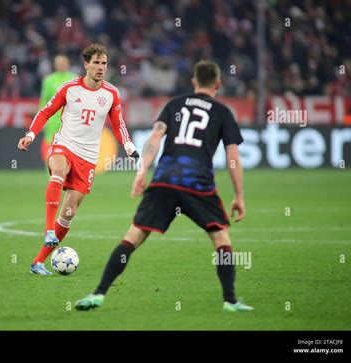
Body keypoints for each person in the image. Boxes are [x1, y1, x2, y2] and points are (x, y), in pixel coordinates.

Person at [75, 60, 254, 312]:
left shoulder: (175, 105)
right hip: (198, 185)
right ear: (218, 84)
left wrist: (141, 171)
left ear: (194, 82)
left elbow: (155, 137)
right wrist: (239, 195)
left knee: (133, 237)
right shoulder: (223, 112)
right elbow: (233, 157)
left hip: (164, 181)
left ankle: (98, 294)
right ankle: (230, 300)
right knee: (221, 238)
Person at [18, 43, 139, 276]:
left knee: (69, 212)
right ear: (86, 65)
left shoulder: (111, 93)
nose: (101, 67)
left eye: (104, 63)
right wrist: (30, 135)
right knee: (58, 171)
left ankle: (38, 262)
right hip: (65, 145)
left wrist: (130, 147)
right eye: (96, 63)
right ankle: (47, 230)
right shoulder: (69, 88)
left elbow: (118, 124)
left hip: (88, 157)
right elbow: (45, 111)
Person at [38, 55, 77, 163]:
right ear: (54, 65)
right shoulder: (48, 80)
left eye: (63, 62)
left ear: (68, 64)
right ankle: (51, 177)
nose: (61, 65)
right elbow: (43, 101)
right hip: (52, 121)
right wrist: (41, 120)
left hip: (69, 120)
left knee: (70, 149)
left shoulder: (75, 79)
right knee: (50, 148)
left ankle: (67, 177)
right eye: (59, 63)